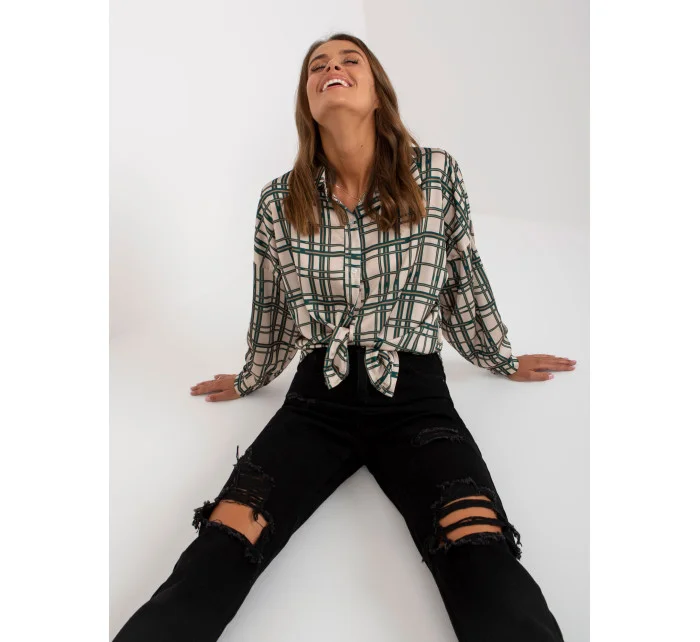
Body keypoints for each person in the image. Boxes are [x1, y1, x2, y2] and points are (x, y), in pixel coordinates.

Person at [113, 33, 575, 642]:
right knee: (225, 540)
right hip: (315, 406)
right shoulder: (279, 201)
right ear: (307, 100)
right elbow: (272, 305)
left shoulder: (435, 175)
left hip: (416, 401)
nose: (332, 68)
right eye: (318, 66)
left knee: (475, 542)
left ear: (377, 90)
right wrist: (250, 377)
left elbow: (463, 277)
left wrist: (500, 357)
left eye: (348, 60)